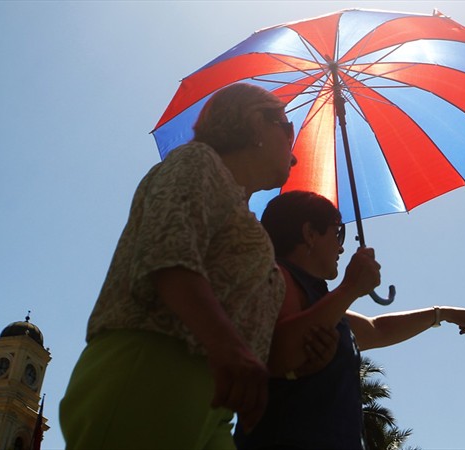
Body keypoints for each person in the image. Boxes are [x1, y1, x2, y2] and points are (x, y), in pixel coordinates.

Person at [60, 83, 300, 450]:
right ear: (255, 122)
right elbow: (166, 254)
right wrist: (230, 348)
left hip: (215, 405)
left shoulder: (246, 219)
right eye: (288, 130)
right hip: (148, 372)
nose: (294, 153)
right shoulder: (197, 161)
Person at [234, 190, 465, 450]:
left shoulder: (318, 300)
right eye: (338, 232)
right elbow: (279, 351)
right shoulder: (277, 276)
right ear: (309, 234)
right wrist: (349, 288)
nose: (341, 245)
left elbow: (377, 329)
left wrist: (444, 313)